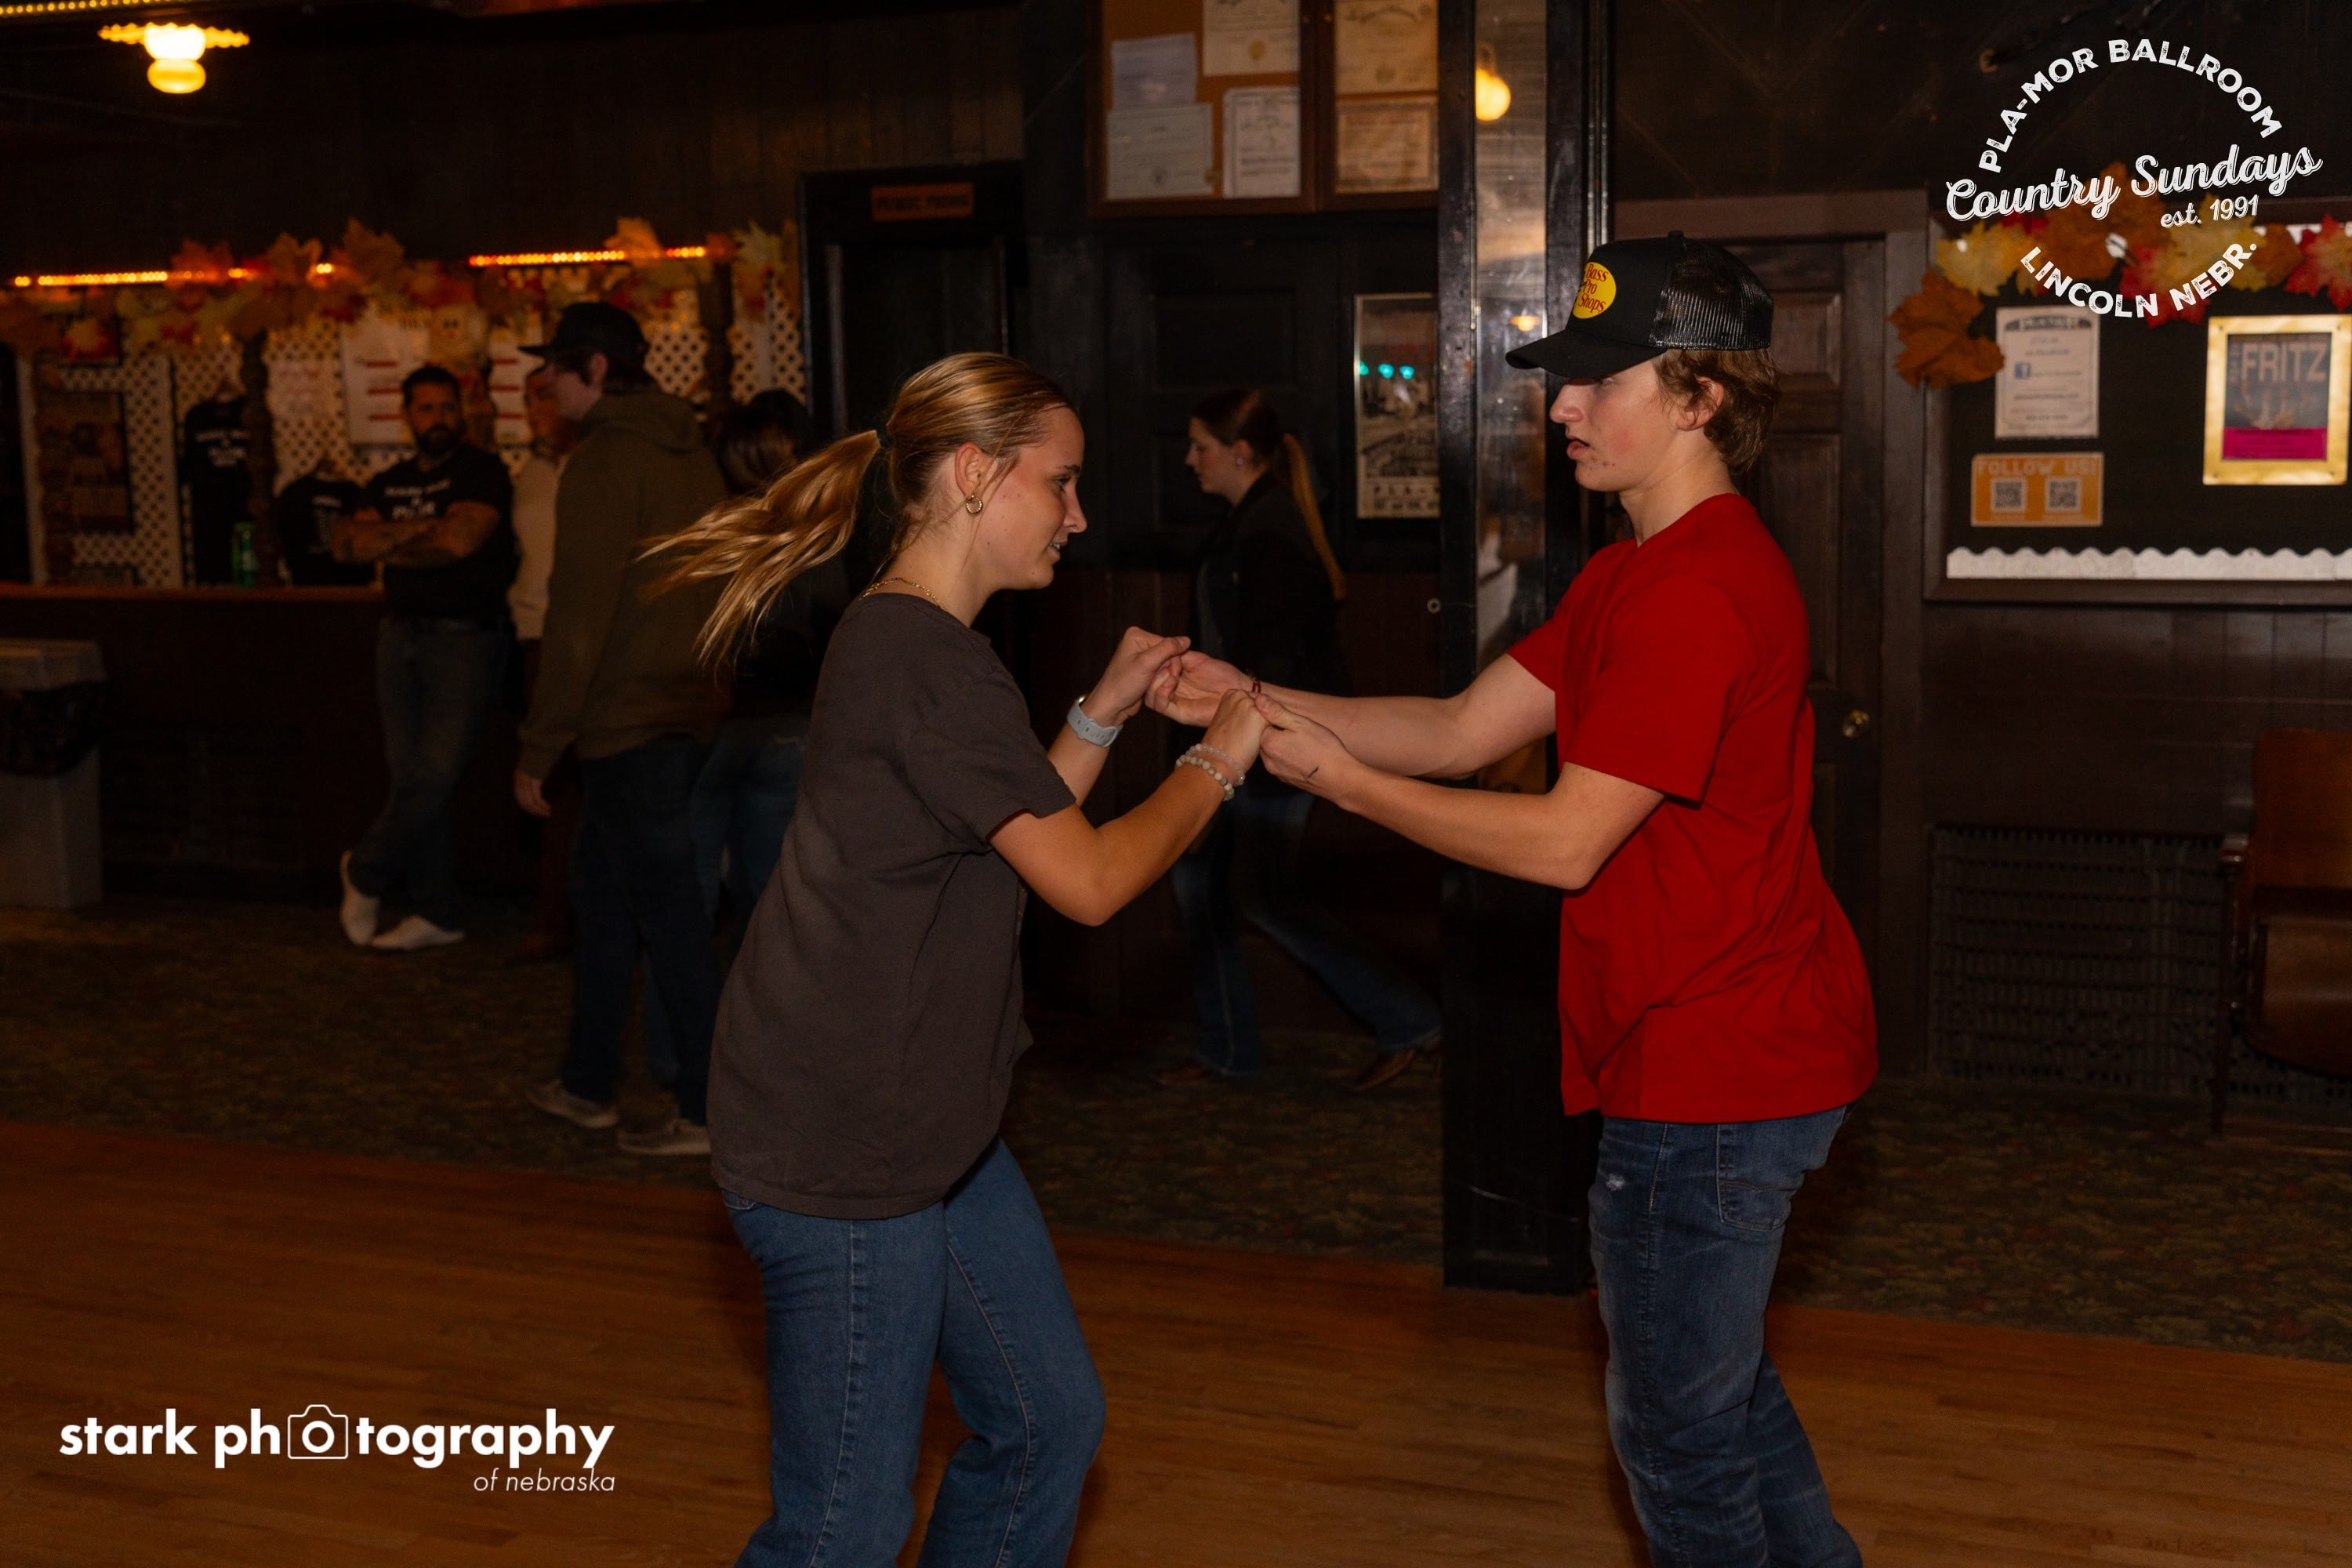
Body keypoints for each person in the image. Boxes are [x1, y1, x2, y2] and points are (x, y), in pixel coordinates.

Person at [1152, 234, 1877, 1567]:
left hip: (1714, 1060)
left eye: (1603, 381)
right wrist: (1247, 698)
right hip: (1719, 1038)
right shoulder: (1632, 572)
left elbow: (1565, 844)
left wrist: (1342, 785)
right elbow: (1454, 727)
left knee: (1678, 1433)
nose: (1563, 407)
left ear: (1703, 397)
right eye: (1566, 379)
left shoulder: (1698, 589)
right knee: (1716, 1394)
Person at [655, 351, 1266, 1566]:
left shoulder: (914, 641)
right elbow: (1086, 882)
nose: (1078, 516)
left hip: (922, 1128)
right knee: (843, 1529)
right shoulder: (923, 659)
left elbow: (1002, 831)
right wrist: (1219, 759)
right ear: (978, 475)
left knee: (1046, 1423)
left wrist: (1100, 712)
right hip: (843, 1145)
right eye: (1063, 481)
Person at [1160, 388, 1442, 1092]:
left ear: (1239, 452)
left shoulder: (1269, 530)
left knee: (1256, 894)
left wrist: (1239, 753)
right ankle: (1234, 1049)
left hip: (1269, 748)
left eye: (1200, 445)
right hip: (1249, 743)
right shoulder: (1254, 523)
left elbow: (1274, 662)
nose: (1190, 459)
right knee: (1209, 884)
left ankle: (1404, 1016)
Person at [514, 302, 729, 1158]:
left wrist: (540, 745)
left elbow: (577, 617)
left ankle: (709, 1109)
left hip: (627, 721)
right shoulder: (693, 453)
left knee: (670, 922)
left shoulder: (604, 462)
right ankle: (587, 1081)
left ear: (596, 369)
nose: (544, 383)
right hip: (688, 709)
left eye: (556, 367)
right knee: (604, 902)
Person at [640, 390, 831, 1090]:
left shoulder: (709, 526)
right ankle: (764, 1067)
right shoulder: (821, 529)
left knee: (684, 906)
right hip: (786, 727)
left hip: (706, 727)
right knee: (776, 910)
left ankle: (683, 1064)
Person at [332, 364, 518, 953]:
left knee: (435, 775)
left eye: (447, 407)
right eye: (427, 408)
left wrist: (394, 538)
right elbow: (347, 543)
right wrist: (429, 531)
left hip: (465, 639)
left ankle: (364, 870)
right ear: (407, 416)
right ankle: (437, 911)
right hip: (397, 636)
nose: (439, 419)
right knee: (411, 779)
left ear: (460, 412)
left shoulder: (483, 471)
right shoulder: (386, 480)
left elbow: (460, 541)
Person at [505, 365, 583, 965]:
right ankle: (555, 916)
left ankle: (571, 916)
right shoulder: (530, 472)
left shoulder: (597, 465)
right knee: (551, 783)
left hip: (580, 637)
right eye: (528, 399)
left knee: (576, 779)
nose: (534, 409)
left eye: (544, 397)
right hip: (534, 635)